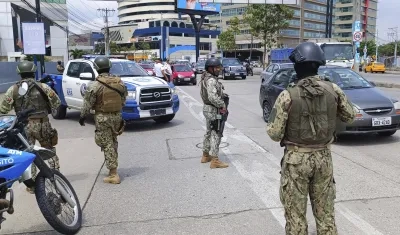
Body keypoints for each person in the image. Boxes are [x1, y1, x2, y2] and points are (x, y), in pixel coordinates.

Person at [266, 42, 356, 234]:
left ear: (297, 67)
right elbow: (350, 116)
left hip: (296, 160)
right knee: (325, 213)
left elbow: (274, 134)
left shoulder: (287, 95)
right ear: (318, 65)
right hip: (323, 157)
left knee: (296, 215)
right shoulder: (333, 89)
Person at [0, 61, 61, 194]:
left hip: (24, 127)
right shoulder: (43, 86)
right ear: (34, 72)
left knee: (28, 153)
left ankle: (32, 185)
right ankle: (55, 177)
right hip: (42, 123)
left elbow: (3, 109)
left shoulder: (13, 89)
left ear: (19, 73)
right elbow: (57, 102)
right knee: (48, 149)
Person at [79, 56, 127, 184]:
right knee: (113, 141)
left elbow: (87, 104)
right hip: (117, 116)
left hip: (102, 117)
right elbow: (123, 100)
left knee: (106, 143)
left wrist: (82, 116)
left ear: (96, 68)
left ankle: (113, 174)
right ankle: (113, 167)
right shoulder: (119, 82)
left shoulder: (95, 85)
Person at [199, 58, 229, 169]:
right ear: (210, 68)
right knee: (216, 133)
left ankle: (205, 155)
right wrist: (222, 105)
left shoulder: (205, 77)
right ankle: (215, 160)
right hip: (213, 109)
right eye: (216, 67)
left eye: (219, 67)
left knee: (208, 132)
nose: (218, 69)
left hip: (208, 109)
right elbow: (212, 97)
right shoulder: (211, 80)